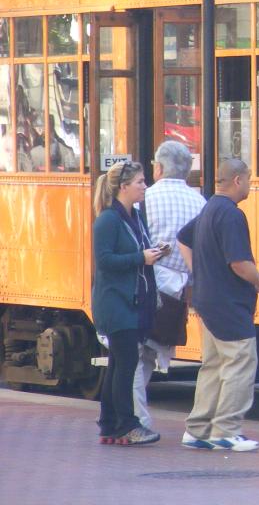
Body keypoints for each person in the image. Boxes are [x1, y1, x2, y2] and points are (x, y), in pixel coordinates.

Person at [176, 158, 259, 452]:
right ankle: (225, 430)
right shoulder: (231, 214)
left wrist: (199, 271)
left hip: (207, 299)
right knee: (240, 363)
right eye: (249, 179)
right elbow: (239, 263)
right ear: (238, 180)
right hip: (230, 303)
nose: (250, 185)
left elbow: (182, 239)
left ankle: (198, 429)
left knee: (214, 366)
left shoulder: (209, 208)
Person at [133, 140, 206, 431]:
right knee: (149, 355)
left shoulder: (144, 199)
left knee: (136, 357)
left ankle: (136, 418)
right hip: (178, 292)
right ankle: (134, 417)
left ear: (160, 168)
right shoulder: (200, 203)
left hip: (147, 285)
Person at [91, 160, 163, 445]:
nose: (145, 186)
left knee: (118, 363)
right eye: (140, 182)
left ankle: (109, 425)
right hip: (114, 303)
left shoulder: (136, 216)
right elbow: (105, 261)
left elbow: (137, 249)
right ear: (123, 187)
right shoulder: (108, 220)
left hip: (131, 300)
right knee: (126, 362)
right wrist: (140, 258)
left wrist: (154, 253)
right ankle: (127, 425)